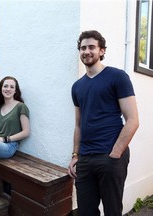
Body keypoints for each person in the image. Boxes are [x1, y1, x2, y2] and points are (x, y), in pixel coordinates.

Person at [68, 30, 139, 216]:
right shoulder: (77, 87)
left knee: (112, 211)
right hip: (85, 159)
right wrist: (75, 155)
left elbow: (133, 120)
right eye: (83, 48)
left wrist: (115, 154)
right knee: (85, 211)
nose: (87, 51)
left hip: (110, 155)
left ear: (101, 51)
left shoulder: (117, 77)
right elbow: (78, 124)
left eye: (92, 47)